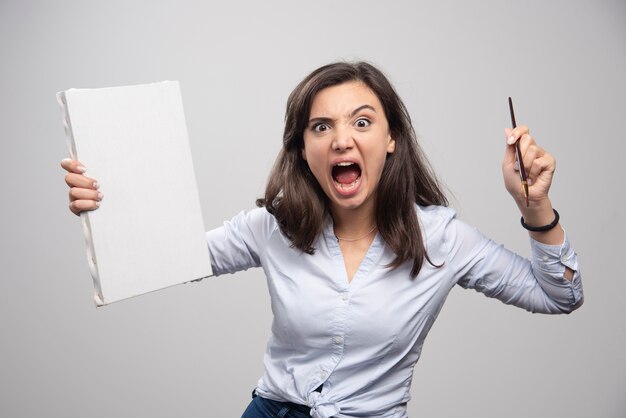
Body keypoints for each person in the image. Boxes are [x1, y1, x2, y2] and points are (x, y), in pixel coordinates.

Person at [60, 62, 583, 418]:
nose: (341, 139)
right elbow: (165, 259)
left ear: (391, 138)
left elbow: (561, 296)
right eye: (321, 126)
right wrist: (106, 204)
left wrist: (533, 206)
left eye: (362, 121)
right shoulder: (274, 226)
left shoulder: (443, 240)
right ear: (304, 149)